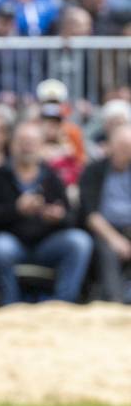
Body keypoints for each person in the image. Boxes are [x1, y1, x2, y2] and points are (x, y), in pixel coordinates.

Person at [0, 120, 91, 305]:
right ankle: (11, 304)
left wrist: (58, 217)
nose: (27, 147)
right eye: (23, 142)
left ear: (41, 146)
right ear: (13, 144)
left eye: (32, 143)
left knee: (80, 241)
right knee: (0, 247)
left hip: (47, 243)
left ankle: (62, 304)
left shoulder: (52, 177)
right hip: (13, 241)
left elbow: (71, 217)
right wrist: (17, 209)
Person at [79, 123, 131, 304]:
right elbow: (91, 215)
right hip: (103, 229)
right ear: (110, 147)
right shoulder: (94, 171)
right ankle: (114, 300)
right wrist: (115, 239)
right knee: (107, 249)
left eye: (129, 148)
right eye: (122, 147)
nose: (126, 152)